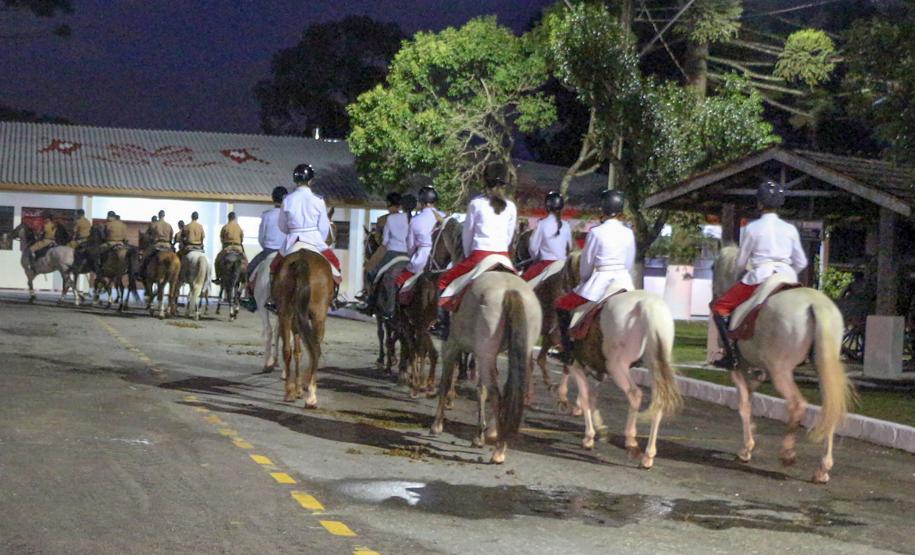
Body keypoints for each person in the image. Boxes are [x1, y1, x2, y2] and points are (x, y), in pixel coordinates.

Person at [710, 180, 808, 369]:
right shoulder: (790, 229)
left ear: (760, 204)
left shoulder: (752, 228)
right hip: (787, 277)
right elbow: (802, 262)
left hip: (760, 277)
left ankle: (732, 356)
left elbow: (740, 262)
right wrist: (788, 275)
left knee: (720, 308)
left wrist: (740, 273)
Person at [554, 190, 635, 363]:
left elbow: (586, 263)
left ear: (604, 208)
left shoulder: (596, 232)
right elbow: (629, 262)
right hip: (624, 282)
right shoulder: (628, 232)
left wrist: (584, 279)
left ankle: (567, 351)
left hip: (600, 281)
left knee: (562, 305)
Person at [437, 161, 517, 309]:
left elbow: (467, 236)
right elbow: (508, 237)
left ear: (485, 180)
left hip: (480, 255)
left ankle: (443, 321)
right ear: (505, 182)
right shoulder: (511, 207)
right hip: (503, 257)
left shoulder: (476, 204)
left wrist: (468, 256)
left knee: (444, 282)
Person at [240, 186, 287, 312]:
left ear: (273, 199)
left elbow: (261, 237)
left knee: (249, 269)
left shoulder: (267, 215)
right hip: (286, 251)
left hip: (269, 250)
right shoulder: (289, 215)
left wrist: (266, 247)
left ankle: (251, 298)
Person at [363, 192, 410, 305]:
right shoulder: (407, 218)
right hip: (407, 250)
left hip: (387, 249)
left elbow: (379, 240)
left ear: (388, 203)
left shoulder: (382, 219)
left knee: (369, 269)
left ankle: (369, 295)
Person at [396, 186, 443, 290]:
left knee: (398, 282)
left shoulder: (415, 220)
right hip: (443, 263)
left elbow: (411, 246)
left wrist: (412, 257)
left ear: (421, 202)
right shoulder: (445, 217)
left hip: (421, 260)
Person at [522, 190, 573, 282]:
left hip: (546, 263)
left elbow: (533, 248)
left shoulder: (542, 224)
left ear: (547, 207)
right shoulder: (566, 225)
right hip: (563, 264)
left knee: (524, 281)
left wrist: (535, 258)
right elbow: (570, 247)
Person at [213, 212, 246, 283]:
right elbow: (242, 239)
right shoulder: (239, 227)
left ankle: (218, 278)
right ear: (235, 218)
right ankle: (245, 278)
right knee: (245, 261)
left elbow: (221, 239)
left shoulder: (225, 227)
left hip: (228, 247)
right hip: (238, 247)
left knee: (217, 260)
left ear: (228, 218)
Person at [140, 210, 174, 276]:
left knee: (145, 255)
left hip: (157, 245)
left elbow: (148, 236)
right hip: (168, 245)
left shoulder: (154, 224)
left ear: (158, 216)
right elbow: (171, 236)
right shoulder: (169, 225)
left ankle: (140, 272)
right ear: (164, 215)